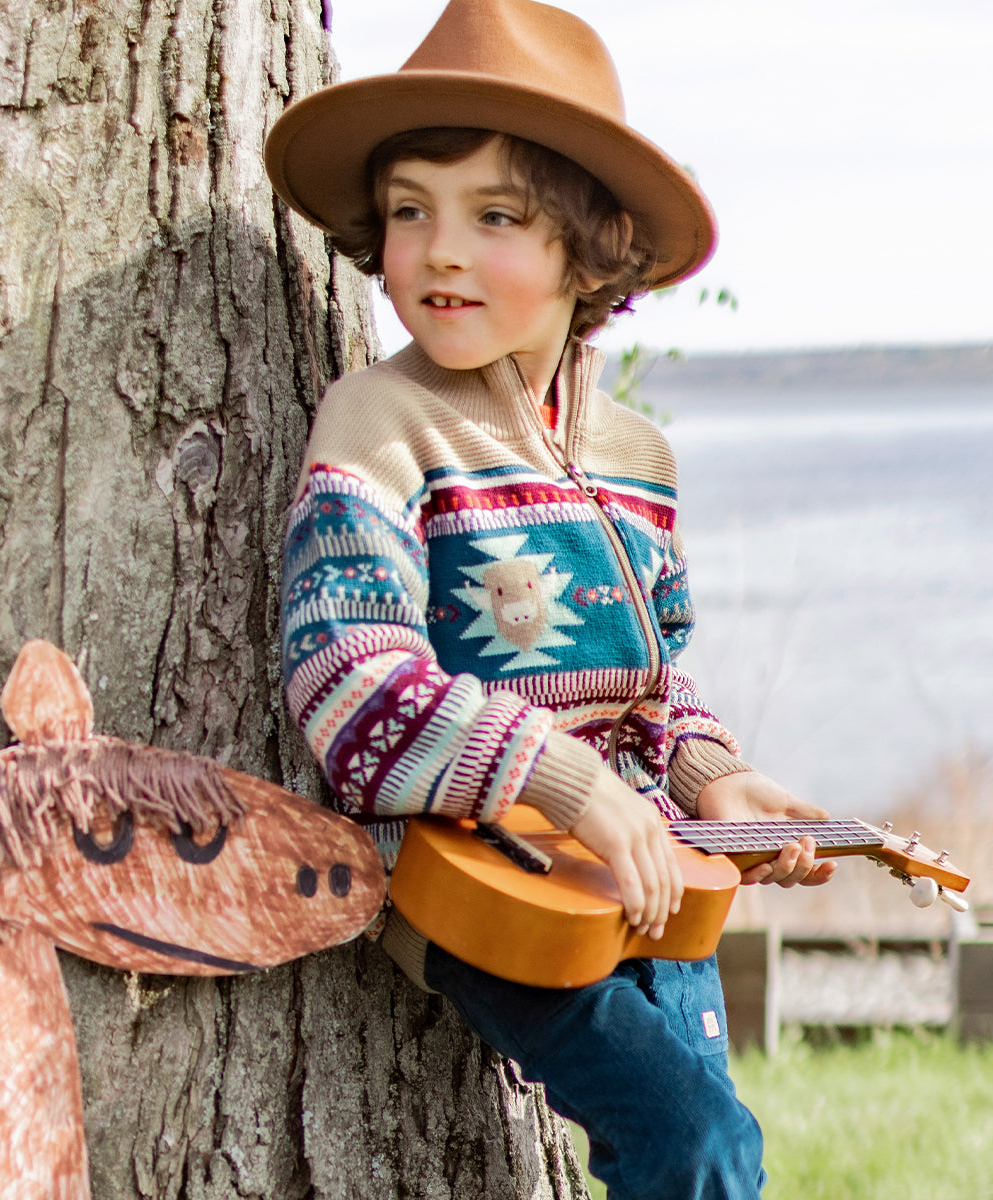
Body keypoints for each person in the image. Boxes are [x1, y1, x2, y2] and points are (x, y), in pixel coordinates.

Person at [265, 2, 834, 1195]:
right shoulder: (383, 421)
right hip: (488, 881)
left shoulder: (638, 454)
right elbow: (348, 676)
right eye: (411, 210)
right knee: (699, 1142)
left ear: (595, 250)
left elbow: (655, 679)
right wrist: (569, 783)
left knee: (720, 1149)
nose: (442, 252)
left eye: (497, 216)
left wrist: (708, 777)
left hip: (638, 872)